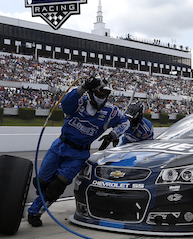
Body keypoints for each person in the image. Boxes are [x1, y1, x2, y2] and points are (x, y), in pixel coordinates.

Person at [27, 76, 129, 227]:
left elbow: (125, 122)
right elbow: (65, 104)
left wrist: (113, 135)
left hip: (79, 154)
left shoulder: (111, 112)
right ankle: (39, 195)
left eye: (105, 95)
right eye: (99, 94)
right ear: (91, 92)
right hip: (60, 145)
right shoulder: (79, 102)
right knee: (41, 181)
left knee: (56, 187)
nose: (102, 98)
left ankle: (34, 212)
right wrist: (82, 88)